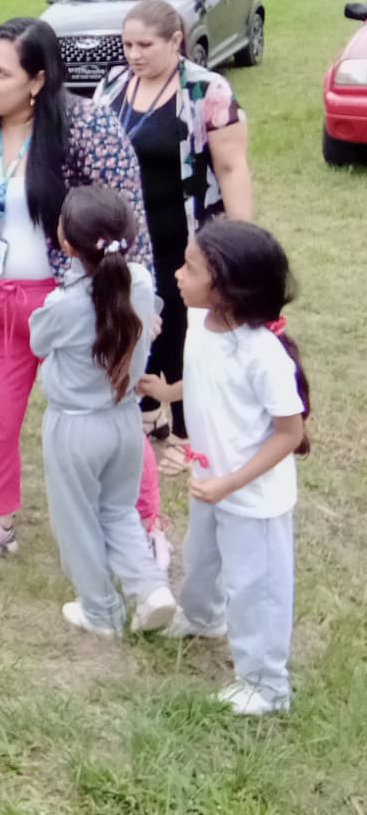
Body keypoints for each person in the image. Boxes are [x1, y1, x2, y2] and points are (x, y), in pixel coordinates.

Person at [0, 17, 152, 560]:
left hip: (74, 302)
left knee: (104, 412)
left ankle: (141, 522)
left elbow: (126, 216)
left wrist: (142, 300)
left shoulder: (86, 125)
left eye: (1, 73)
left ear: (38, 80)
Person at [92, 0, 253, 472]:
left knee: (186, 330)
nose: (134, 54)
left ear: (175, 40)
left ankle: (187, 431)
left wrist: (239, 243)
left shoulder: (207, 91)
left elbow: (231, 168)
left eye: (145, 45)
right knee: (136, 320)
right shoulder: (112, 85)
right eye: (127, 45)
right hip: (128, 241)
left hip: (186, 237)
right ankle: (148, 408)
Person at [159, 221, 309, 716]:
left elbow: (289, 433)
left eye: (190, 269)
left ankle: (265, 686)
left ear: (225, 289)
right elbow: (205, 377)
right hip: (213, 483)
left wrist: (231, 482)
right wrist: (168, 392)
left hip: (252, 498)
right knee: (201, 557)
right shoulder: (200, 321)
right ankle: (202, 618)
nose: (178, 274)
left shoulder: (262, 354)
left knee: (255, 589)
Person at [28, 186, 177, 637]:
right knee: (119, 510)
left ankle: (100, 611)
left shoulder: (63, 305)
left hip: (75, 426)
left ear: (67, 243)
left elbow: (37, 342)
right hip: (125, 419)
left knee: (76, 519)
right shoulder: (142, 281)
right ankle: (150, 589)